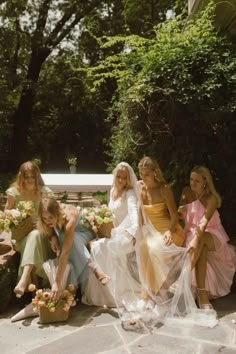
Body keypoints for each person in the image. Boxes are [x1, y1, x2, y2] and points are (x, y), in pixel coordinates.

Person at [82, 162, 141, 310]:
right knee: (95, 246)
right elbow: (110, 216)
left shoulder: (130, 193)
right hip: (112, 232)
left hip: (127, 233)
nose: (120, 180)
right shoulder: (112, 190)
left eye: (124, 178)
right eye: (118, 176)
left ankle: (118, 293)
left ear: (128, 179)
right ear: (114, 176)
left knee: (107, 247)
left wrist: (131, 231)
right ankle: (104, 294)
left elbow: (134, 218)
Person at [178, 166, 236, 309]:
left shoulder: (212, 198)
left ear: (205, 182)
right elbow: (184, 222)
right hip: (196, 237)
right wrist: (182, 213)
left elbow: (204, 222)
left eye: (197, 180)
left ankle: (183, 275)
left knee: (201, 239)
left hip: (213, 235)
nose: (193, 183)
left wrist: (195, 240)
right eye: (191, 179)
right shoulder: (189, 194)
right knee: (201, 248)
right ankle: (202, 296)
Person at [37, 197, 110, 299]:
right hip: (71, 236)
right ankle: (70, 291)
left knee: (66, 240)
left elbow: (65, 252)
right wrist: (53, 237)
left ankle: (94, 269)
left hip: (85, 233)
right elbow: (51, 228)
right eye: (44, 218)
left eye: (50, 217)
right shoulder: (50, 220)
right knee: (62, 237)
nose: (47, 221)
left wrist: (57, 283)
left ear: (57, 213)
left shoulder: (69, 218)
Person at [5, 161, 54, 298]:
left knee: (35, 234)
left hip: (43, 234)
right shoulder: (13, 192)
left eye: (33, 176)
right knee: (33, 236)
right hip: (21, 236)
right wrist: (17, 218)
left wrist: (42, 222)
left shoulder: (45, 192)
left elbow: (54, 214)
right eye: (27, 176)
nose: (30, 180)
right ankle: (33, 283)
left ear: (37, 176)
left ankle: (24, 279)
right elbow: (6, 215)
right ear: (21, 176)